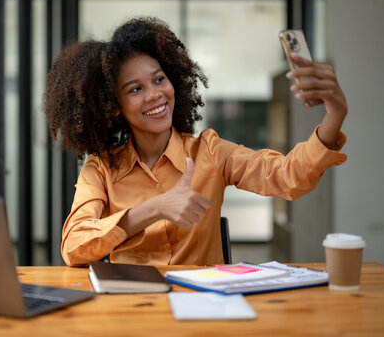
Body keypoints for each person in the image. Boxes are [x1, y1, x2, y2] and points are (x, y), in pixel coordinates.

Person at [44, 17, 348, 267]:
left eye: (159, 79)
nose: (154, 94)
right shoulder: (100, 169)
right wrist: (155, 209)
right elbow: (74, 246)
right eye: (135, 89)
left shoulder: (210, 151)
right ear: (113, 106)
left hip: (204, 308)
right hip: (131, 309)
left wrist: (335, 114)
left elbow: (288, 177)